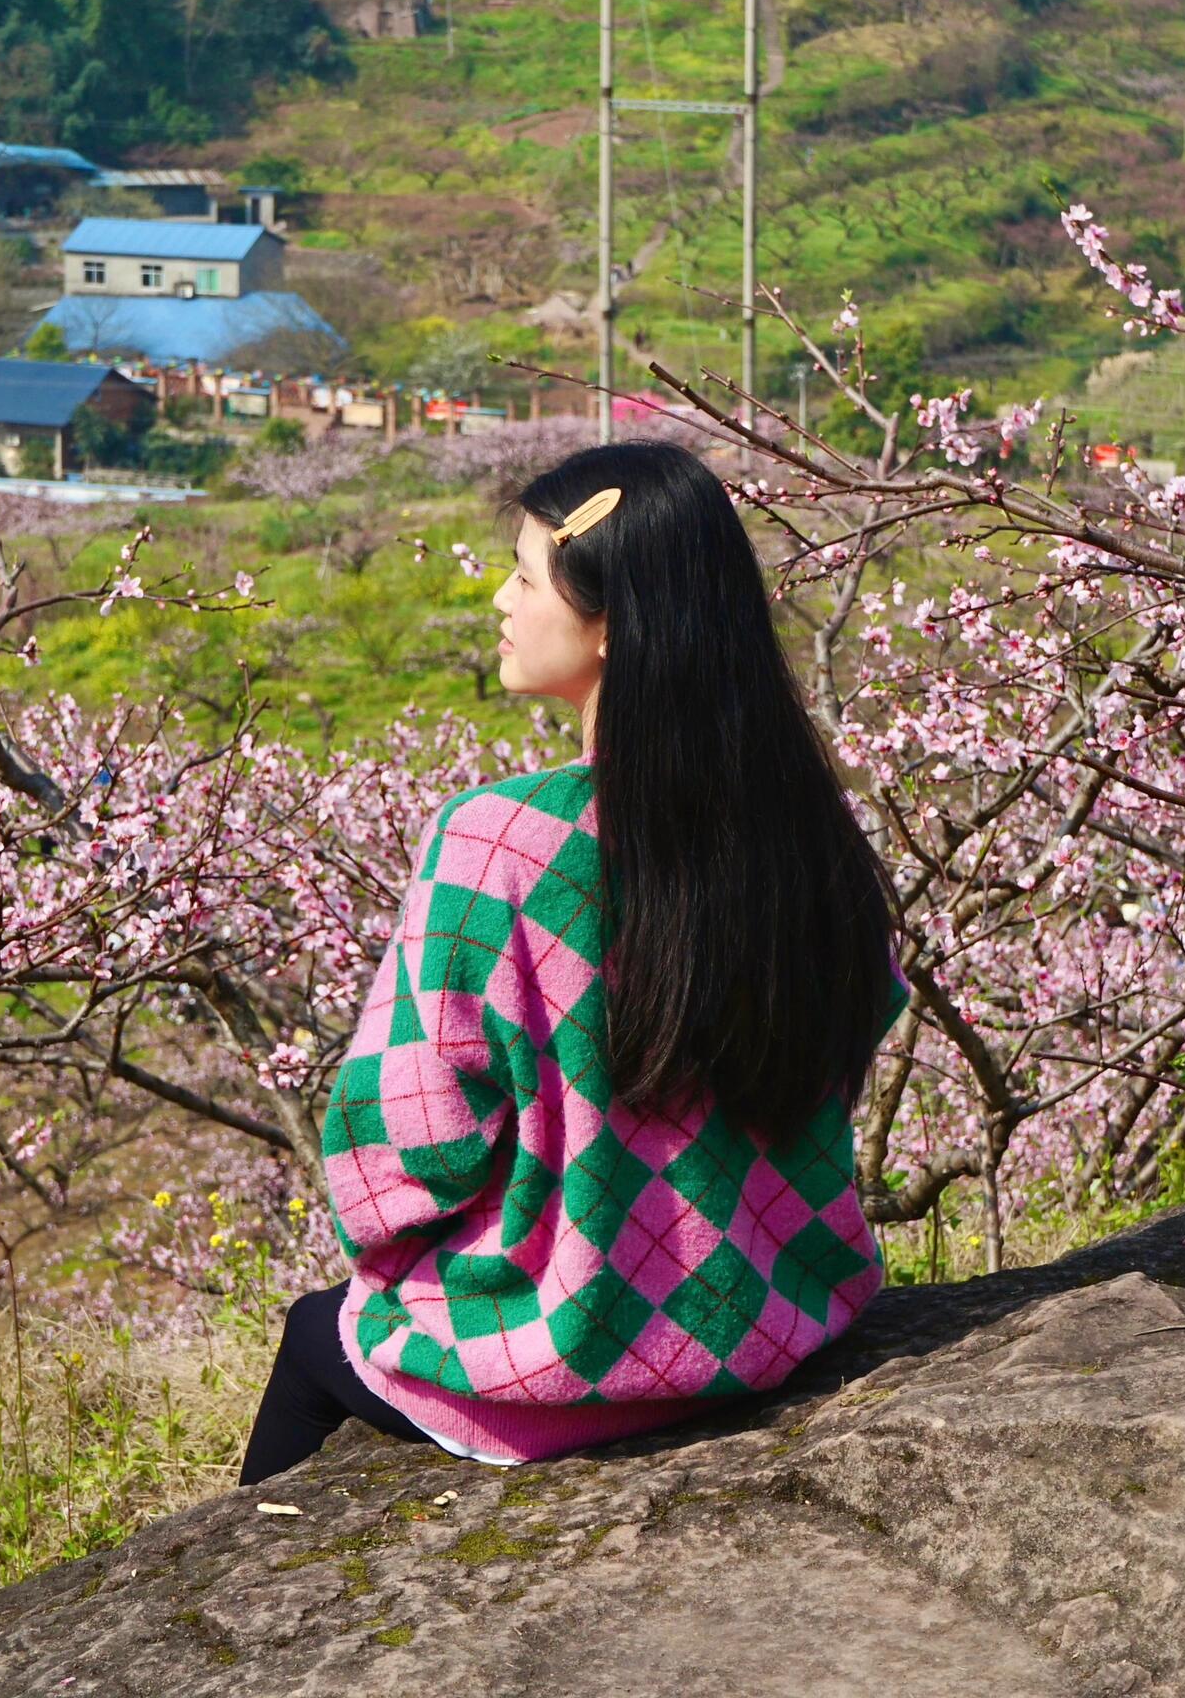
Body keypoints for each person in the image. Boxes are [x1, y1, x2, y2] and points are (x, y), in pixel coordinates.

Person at [238, 440, 911, 1488]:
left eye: (522, 574)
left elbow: (407, 1144)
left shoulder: (498, 843)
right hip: (780, 1318)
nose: (499, 601)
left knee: (314, 1336)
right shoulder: (806, 830)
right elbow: (855, 1030)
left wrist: (414, 1252)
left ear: (610, 621)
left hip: (571, 1349)